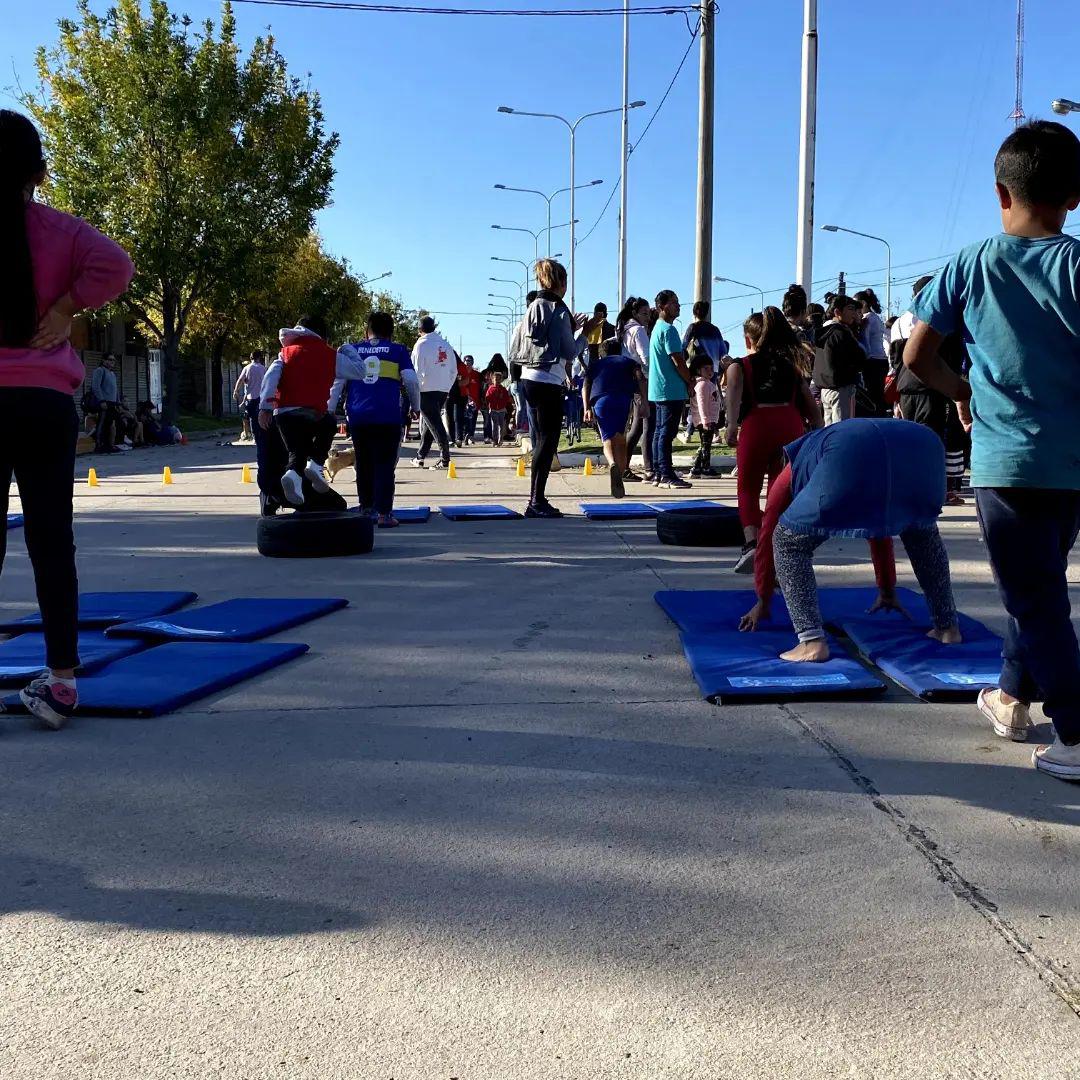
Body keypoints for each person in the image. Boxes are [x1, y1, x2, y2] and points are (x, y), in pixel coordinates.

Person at [903, 119, 1080, 780]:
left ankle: (1076, 733)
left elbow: (917, 357)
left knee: (1035, 597)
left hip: (1006, 464)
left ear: (1001, 194)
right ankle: (1010, 696)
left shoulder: (970, 263)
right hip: (1069, 464)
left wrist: (962, 391)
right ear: (1074, 198)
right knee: (1036, 583)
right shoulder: (1077, 264)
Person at [0, 109, 133, 729]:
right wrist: (65, 307)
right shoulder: (61, 230)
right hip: (45, 402)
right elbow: (118, 265)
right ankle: (61, 683)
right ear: (40, 173)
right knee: (51, 541)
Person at [739, 419, 962, 663]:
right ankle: (947, 628)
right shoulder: (827, 440)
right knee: (921, 531)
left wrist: (763, 599)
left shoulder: (795, 463)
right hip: (924, 446)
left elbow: (770, 524)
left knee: (787, 541)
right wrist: (887, 588)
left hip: (855, 452)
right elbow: (877, 522)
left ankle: (811, 642)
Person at [725, 307, 822, 573]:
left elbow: (733, 393)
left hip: (757, 425)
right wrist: (818, 431)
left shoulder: (739, 366)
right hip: (790, 425)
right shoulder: (791, 367)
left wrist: (731, 426)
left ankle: (752, 544)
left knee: (748, 488)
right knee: (780, 493)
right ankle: (775, 547)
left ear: (748, 339)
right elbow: (811, 406)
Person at [518, 259, 601, 518]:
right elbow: (569, 351)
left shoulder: (533, 306)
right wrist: (585, 333)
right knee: (547, 442)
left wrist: (571, 328)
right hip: (548, 380)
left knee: (541, 439)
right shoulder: (559, 308)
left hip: (528, 378)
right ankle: (536, 500)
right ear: (562, 283)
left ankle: (536, 499)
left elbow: (540, 339)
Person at [336, 310, 420, 528]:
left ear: (367, 331)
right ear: (391, 334)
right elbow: (411, 380)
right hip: (387, 416)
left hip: (358, 416)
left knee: (363, 462)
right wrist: (416, 406)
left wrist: (328, 408)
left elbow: (338, 382)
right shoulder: (398, 350)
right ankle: (384, 514)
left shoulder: (353, 350)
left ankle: (366, 509)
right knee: (384, 464)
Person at [890, 276, 968, 506]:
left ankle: (910, 487)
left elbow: (895, 360)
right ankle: (936, 490)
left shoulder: (900, 322)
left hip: (906, 388)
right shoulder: (940, 317)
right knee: (933, 440)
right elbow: (952, 357)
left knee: (910, 439)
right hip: (932, 387)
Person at [258, 315, 339, 506]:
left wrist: (265, 407)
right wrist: (348, 351)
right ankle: (316, 465)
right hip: (313, 413)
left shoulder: (285, 354)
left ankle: (293, 476)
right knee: (328, 424)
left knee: (298, 450)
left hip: (284, 415)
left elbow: (271, 377)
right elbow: (358, 371)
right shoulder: (329, 355)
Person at [583, 338, 647, 498]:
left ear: (601, 353)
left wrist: (586, 408)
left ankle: (612, 464)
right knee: (620, 440)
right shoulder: (629, 362)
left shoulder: (595, 365)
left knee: (607, 440)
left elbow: (586, 385)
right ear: (620, 351)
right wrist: (644, 402)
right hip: (622, 400)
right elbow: (640, 378)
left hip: (601, 401)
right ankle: (621, 471)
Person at [648, 290, 693, 489]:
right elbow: (678, 360)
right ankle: (666, 473)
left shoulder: (657, 328)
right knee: (666, 432)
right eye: (674, 302)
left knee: (659, 431)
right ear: (662, 306)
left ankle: (658, 472)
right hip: (670, 388)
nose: (678, 306)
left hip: (659, 388)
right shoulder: (669, 330)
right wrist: (689, 380)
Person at [410, 316, 456, 469]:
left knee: (435, 425)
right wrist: (446, 386)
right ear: (434, 327)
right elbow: (453, 370)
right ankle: (420, 456)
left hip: (426, 390)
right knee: (430, 424)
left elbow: (416, 372)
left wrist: (414, 395)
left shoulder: (421, 345)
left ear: (420, 330)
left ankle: (445, 459)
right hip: (442, 390)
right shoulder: (446, 345)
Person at [812, 295, 865, 424]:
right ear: (837, 312)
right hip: (842, 389)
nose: (854, 313)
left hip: (825, 389)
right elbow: (859, 358)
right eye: (850, 309)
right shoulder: (841, 333)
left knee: (829, 428)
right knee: (844, 428)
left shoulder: (823, 332)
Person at [617, 296, 652, 482]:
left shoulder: (625, 329)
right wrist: (653, 375)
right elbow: (646, 358)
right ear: (635, 313)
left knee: (636, 425)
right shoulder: (638, 330)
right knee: (642, 424)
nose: (648, 317)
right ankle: (631, 467)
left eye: (649, 313)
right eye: (644, 313)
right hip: (640, 379)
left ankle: (624, 466)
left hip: (627, 377)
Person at [854, 288, 889, 415]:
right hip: (881, 359)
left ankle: (877, 417)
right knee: (878, 395)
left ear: (863, 303)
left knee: (872, 396)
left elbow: (865, 340)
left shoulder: (867, 319)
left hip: (873, 360)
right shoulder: (876, 318)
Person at [687, 356, 721, 479]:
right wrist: (705, 420)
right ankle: (705, 469)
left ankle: (696, 469)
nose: (710, 371)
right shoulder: (702, 385)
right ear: (698, 370)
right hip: (706, 421)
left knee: (704, 445)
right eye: (706, 368)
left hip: (709, 419)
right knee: (706, 446)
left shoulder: (707, 383)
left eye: (711, 368)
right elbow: (702, 404)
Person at [90, 353, 126, 452]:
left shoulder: (112, 374)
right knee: (103, 424)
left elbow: (115, 390)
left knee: (112, 424)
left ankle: (110, 444)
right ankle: (99, 445)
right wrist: (101, 400)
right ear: (104, 360)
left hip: (112, 403)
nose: (112, 362)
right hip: (104, 402)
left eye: (113, 360)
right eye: (110, 359)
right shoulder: (100, 370)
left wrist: (118, 403)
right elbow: (95, 387)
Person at [234, 350, 266, 444]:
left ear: (251, 358)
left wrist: (236, 391)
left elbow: (240, 380)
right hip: (262, 398)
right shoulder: (263, 369)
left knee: (252, 419)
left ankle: (255, 438)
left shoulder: (247, 368)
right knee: (261, 417)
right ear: (259, 358)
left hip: (250, 398)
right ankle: (262, 437)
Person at [485, 370, 513, 447]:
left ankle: (500, 440)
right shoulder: (490, 389)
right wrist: (488, 405)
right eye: (495, 379)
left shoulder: (503, 389)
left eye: (499, 379)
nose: (497, 381)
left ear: (501, 380)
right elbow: (487, 398)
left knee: (501, 426)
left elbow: (507, 398)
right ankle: (495, 440)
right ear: (492, 380)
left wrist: (503, 401)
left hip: (502, 410)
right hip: (493, 410)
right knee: (494, 425)